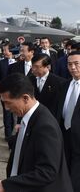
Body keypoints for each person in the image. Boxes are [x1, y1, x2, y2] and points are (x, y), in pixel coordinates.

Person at [0, 73, 72, 192]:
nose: (6, 108)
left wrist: (7, 185)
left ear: (25, 98)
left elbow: (47, 172)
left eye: (8, 102)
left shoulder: (44, 126)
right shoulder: (29, 119)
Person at [57, 50, 80, 191]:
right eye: (69, 64)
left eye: (77, 64)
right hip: (64, 138)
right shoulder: (64, 85)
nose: (73, 67)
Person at [0, 43, 16, 140]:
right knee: (7, 114)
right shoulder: (1, 63)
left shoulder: (18, 61)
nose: (4, 52)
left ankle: (14, 133)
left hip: (16, 93)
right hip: (5, 93)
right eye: (3, 50)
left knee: (16, 115)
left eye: (6, 50)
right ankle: (8, 135)